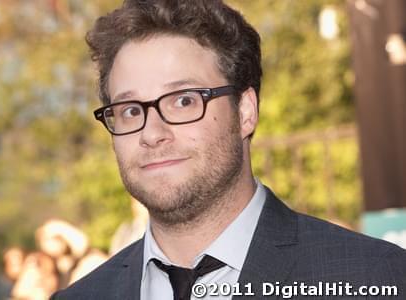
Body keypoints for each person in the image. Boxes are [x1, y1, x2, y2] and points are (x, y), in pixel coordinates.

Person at [52, 0, 406, 299]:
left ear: (245, 111)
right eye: (130, 110)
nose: (152, 132)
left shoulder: (373, 278)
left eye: (184, 101)